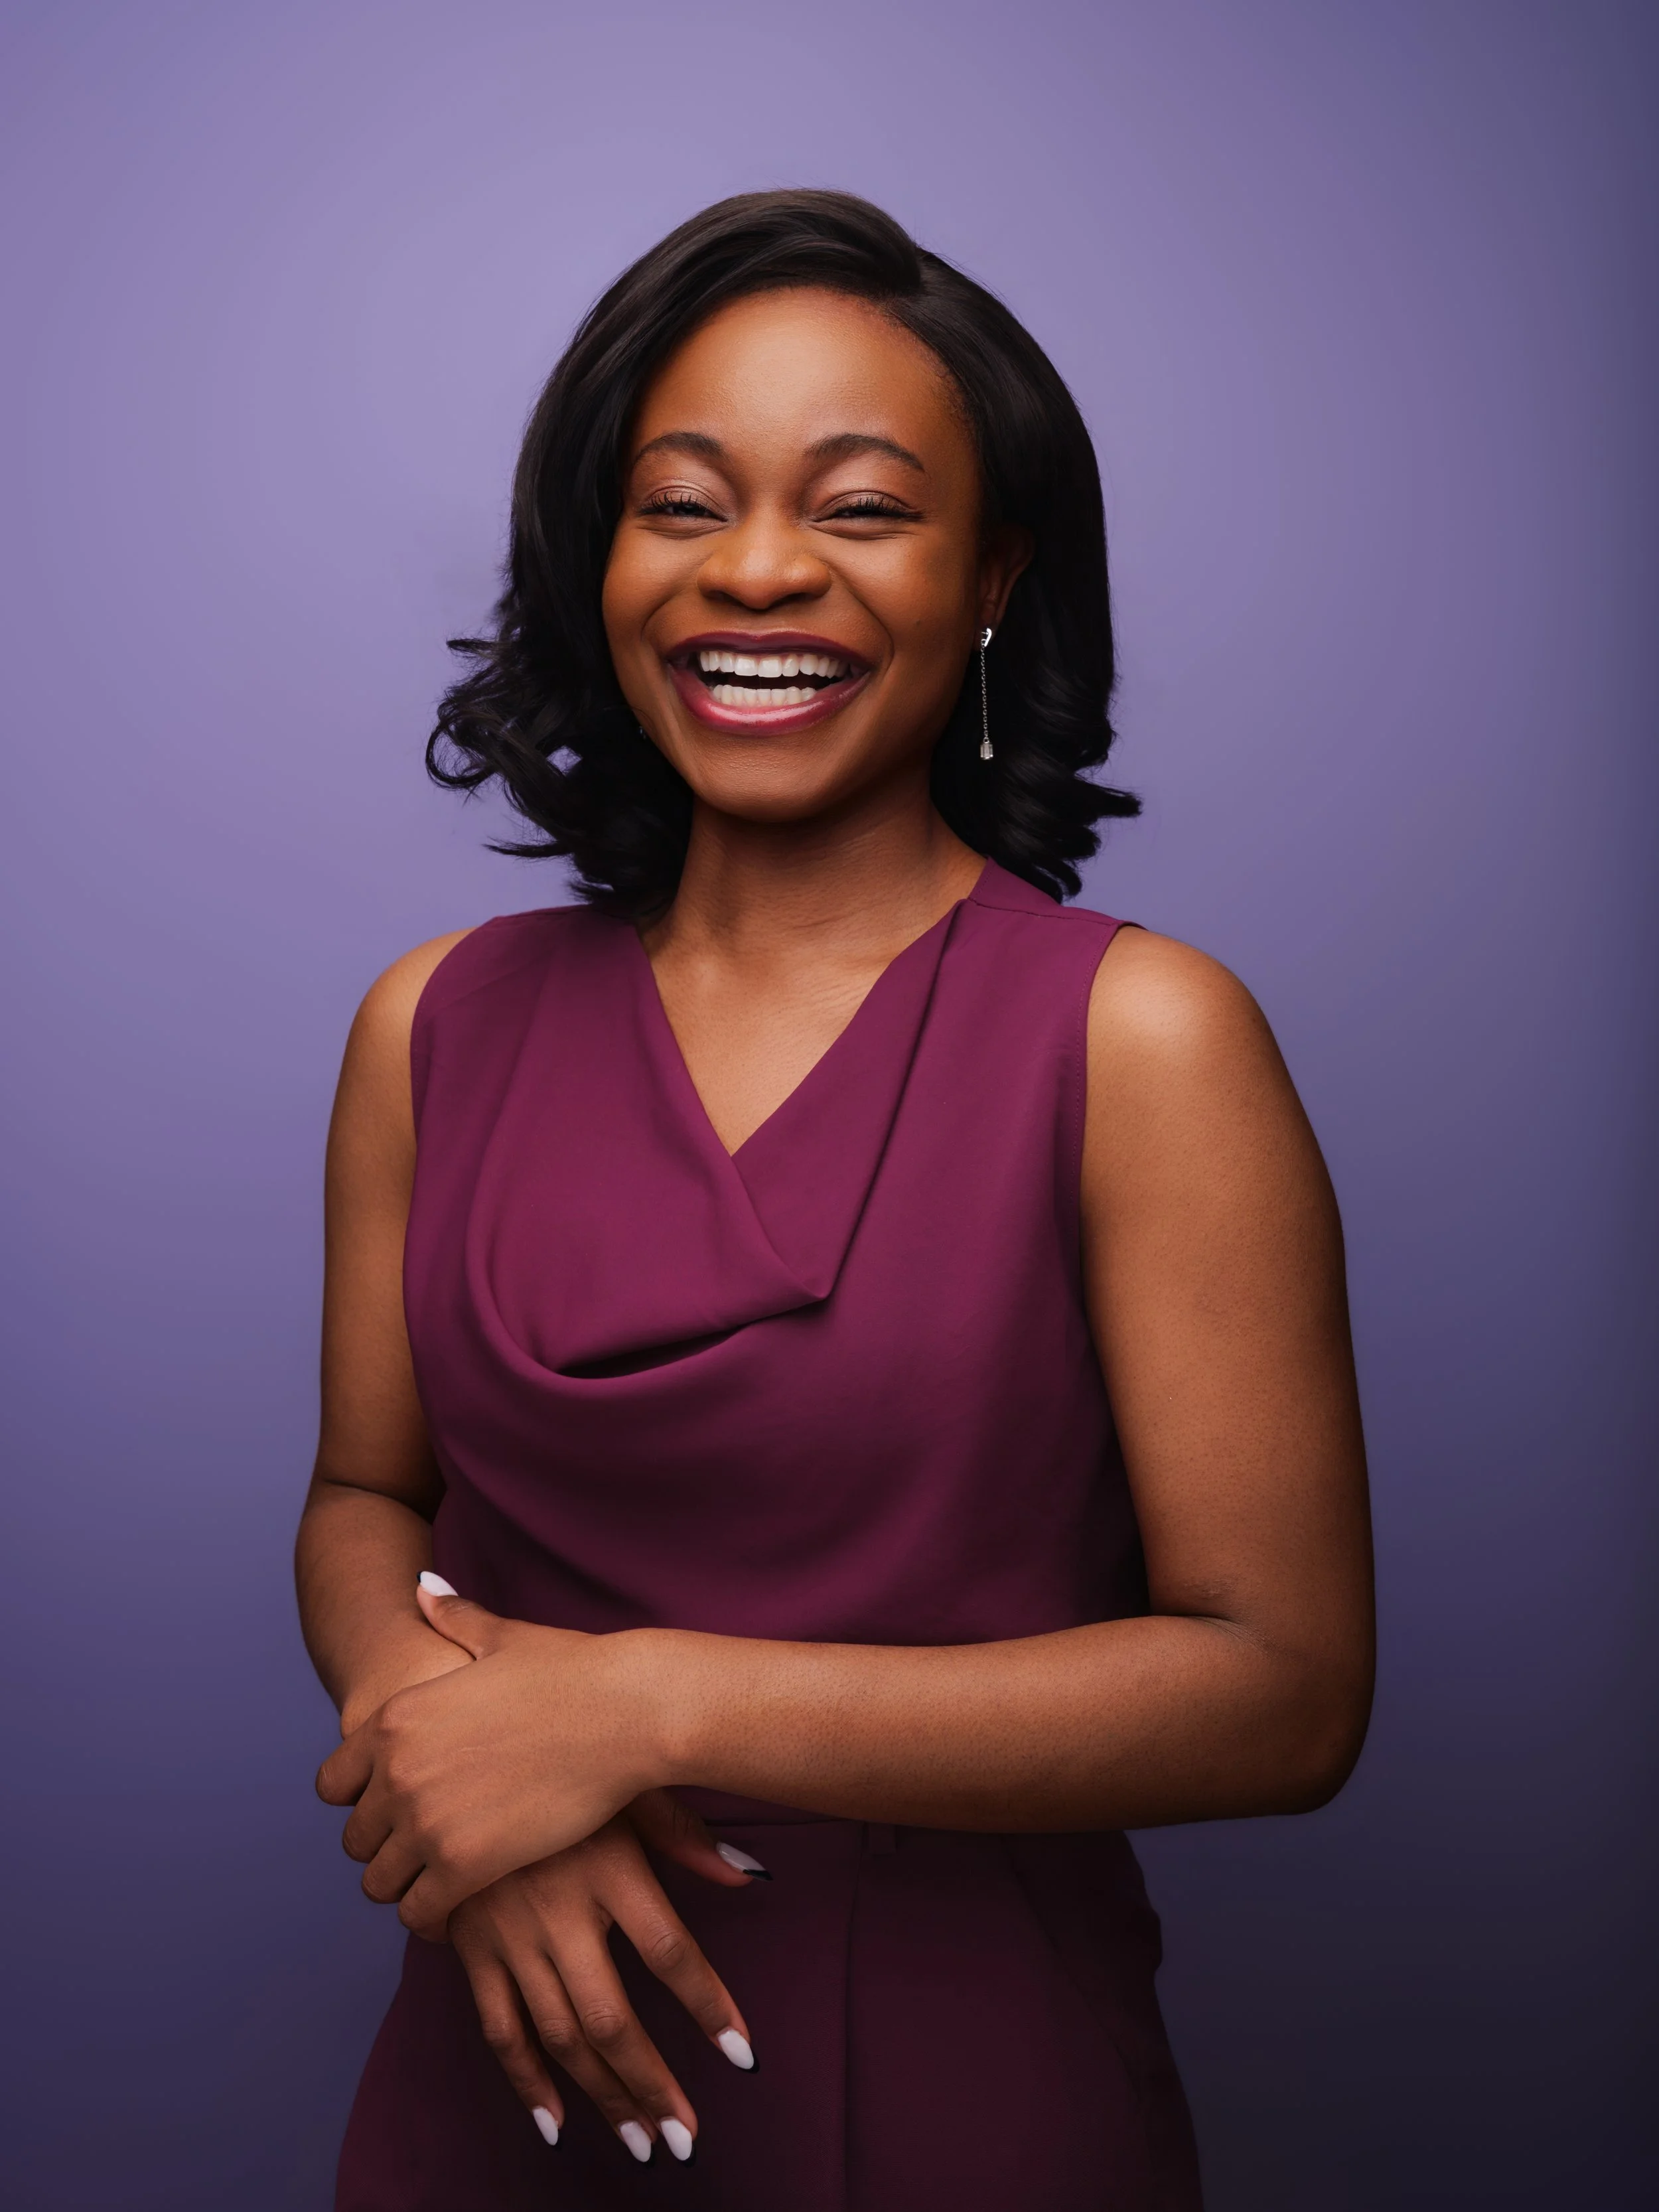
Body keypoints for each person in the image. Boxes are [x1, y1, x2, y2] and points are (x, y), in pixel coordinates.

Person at [297, 188, 1374, 2212]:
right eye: (680, 505)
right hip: (497, 2068)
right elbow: (366, 1492)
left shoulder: (1141, 1036)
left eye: (862, 507)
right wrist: (467, 1767)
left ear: (993, 577)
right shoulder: (432, 1020)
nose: (758, 569)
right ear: (598, 562)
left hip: (959, 2090)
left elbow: (1284, 1688)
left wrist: (639, 1708)